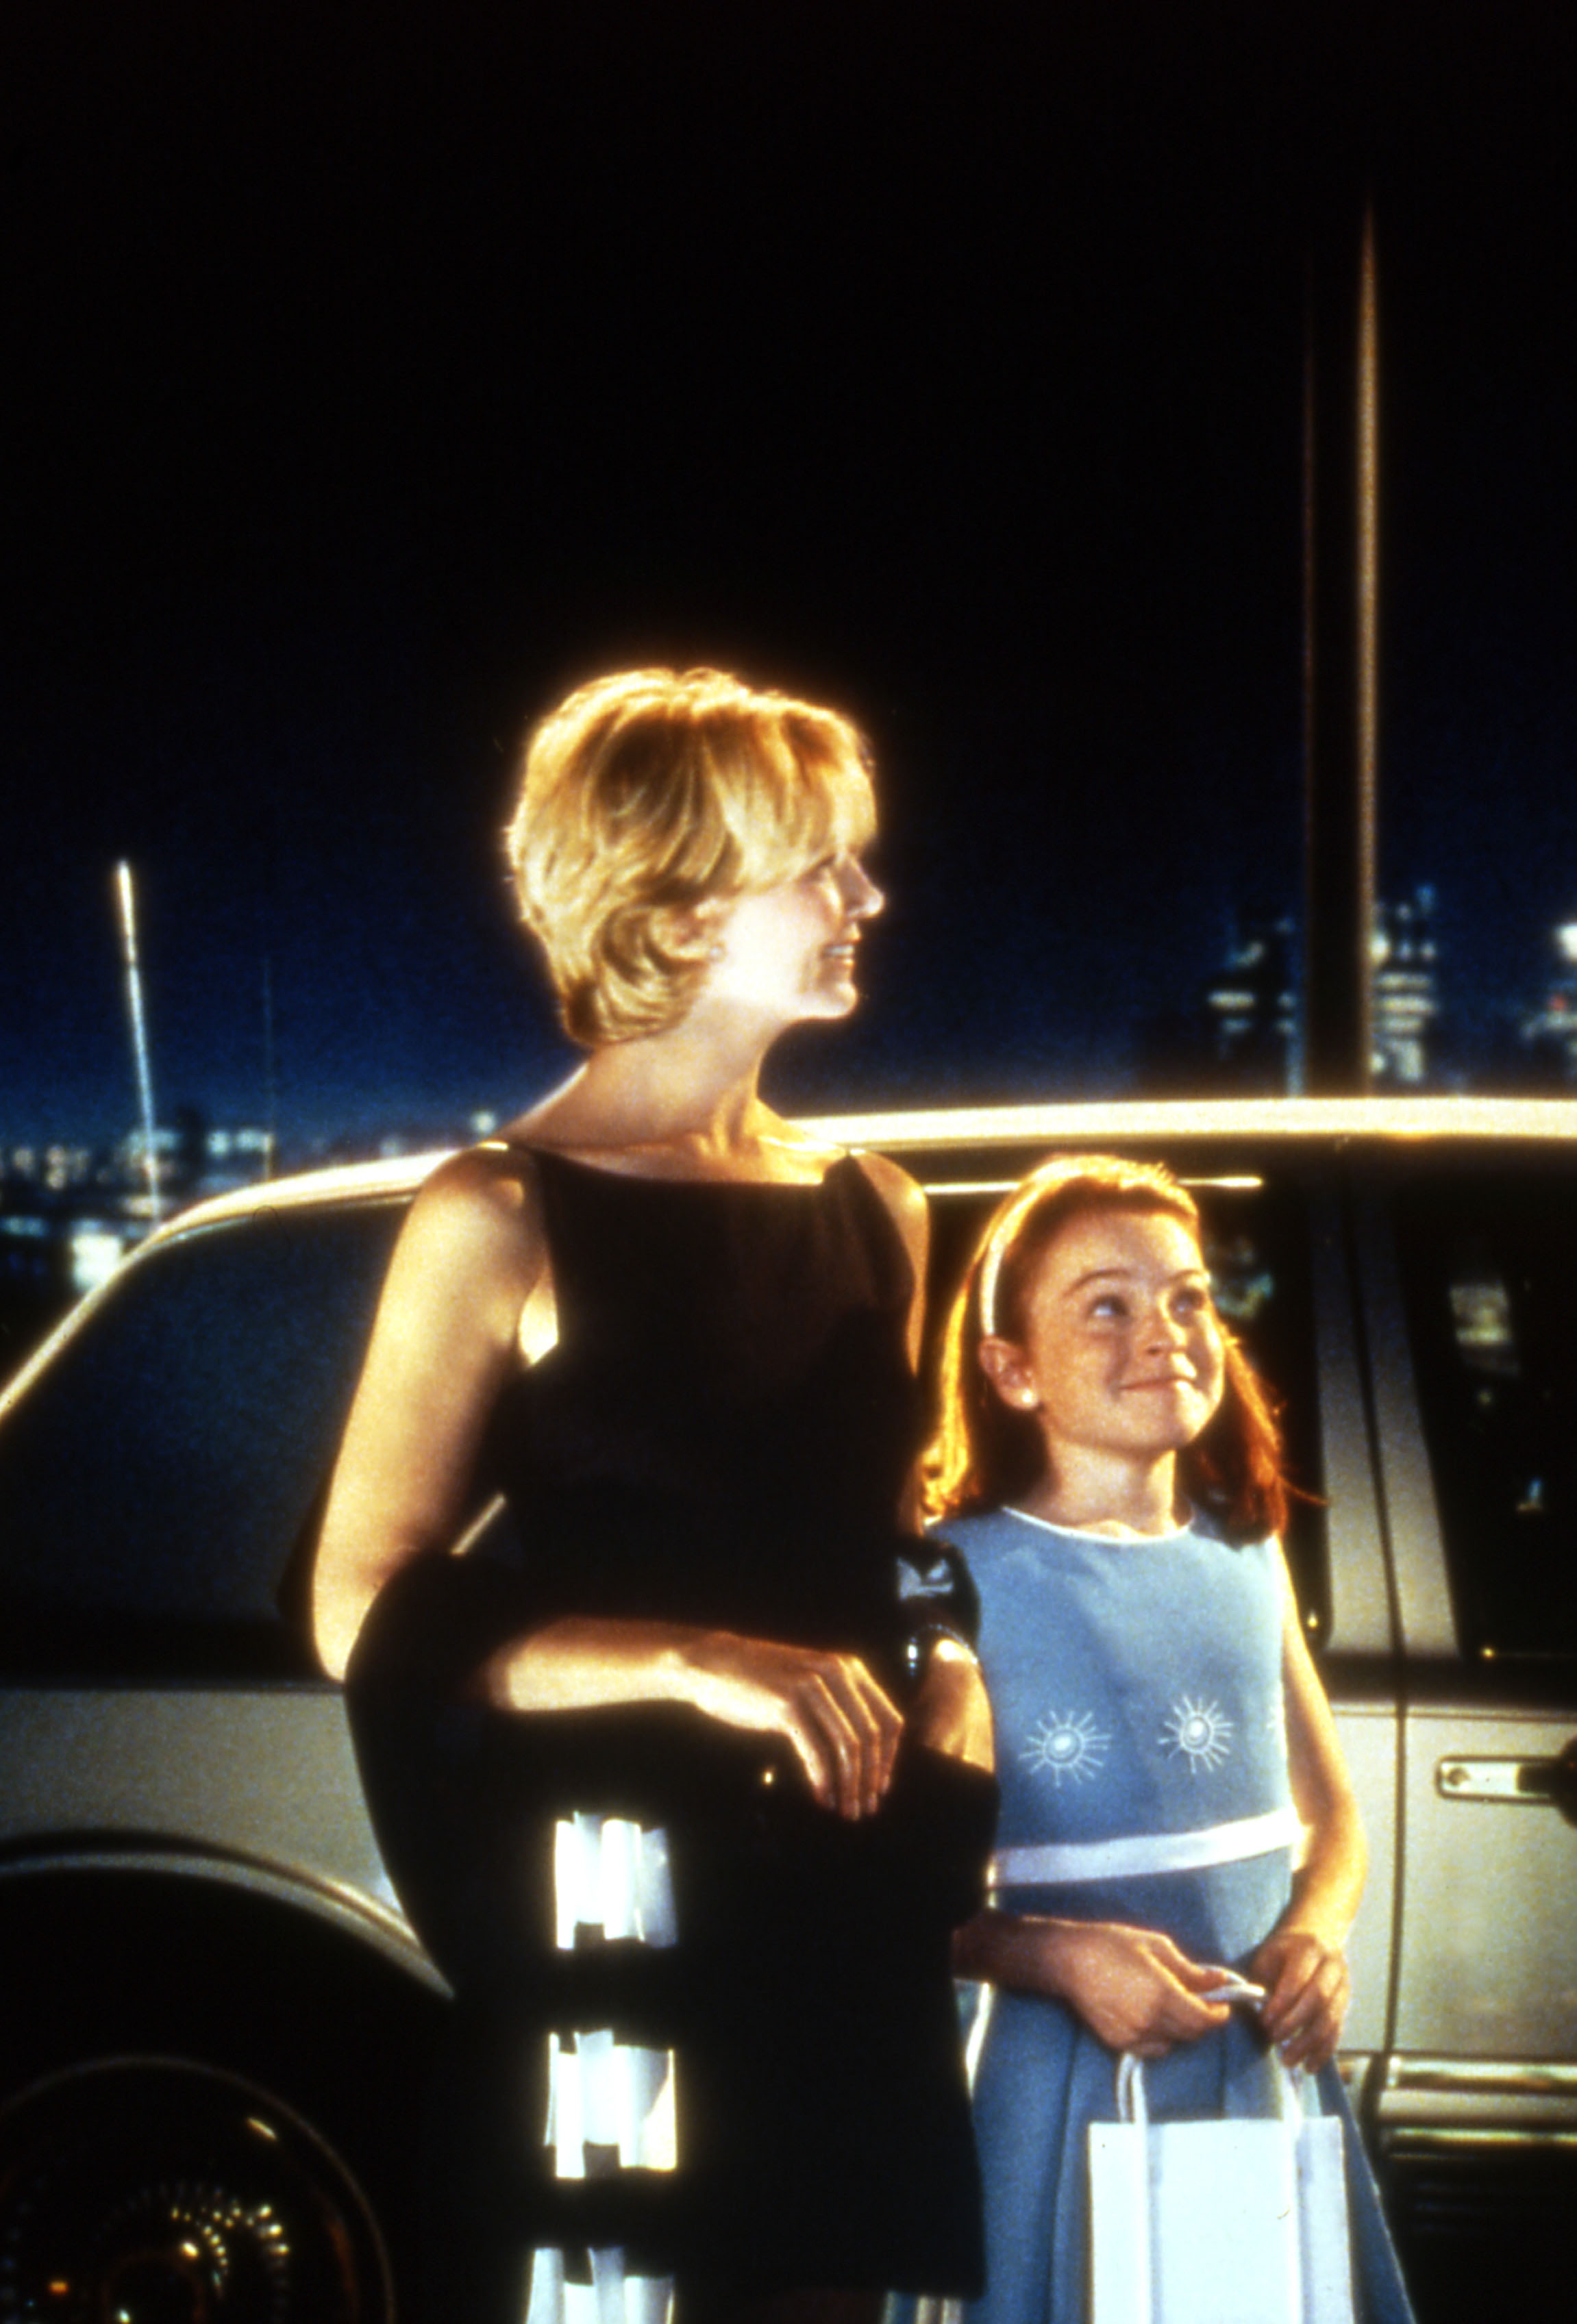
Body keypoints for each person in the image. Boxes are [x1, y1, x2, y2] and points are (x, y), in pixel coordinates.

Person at [311, 666, 995, 2324]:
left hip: (842, 1885)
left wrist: (953, 1683)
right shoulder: (497, 1212)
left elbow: (890, 1547)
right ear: (680, 906)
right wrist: (698, 1653)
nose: (866, 896)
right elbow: (357, 1604)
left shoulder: (876, 1209)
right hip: (611, 1898)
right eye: (820, 862)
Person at [914, 1155, 1417, 2324]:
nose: (1166, 1331)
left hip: (1253, 2079)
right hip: (1050, 2083)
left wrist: (1314, 1934)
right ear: (1011, 1366)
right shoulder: (949, 1578)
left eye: (1189, 1296)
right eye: (1108, 1303)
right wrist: (1056, 1959)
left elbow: (1332, 1816)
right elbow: (895, 1898)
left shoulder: (1248, 1549)